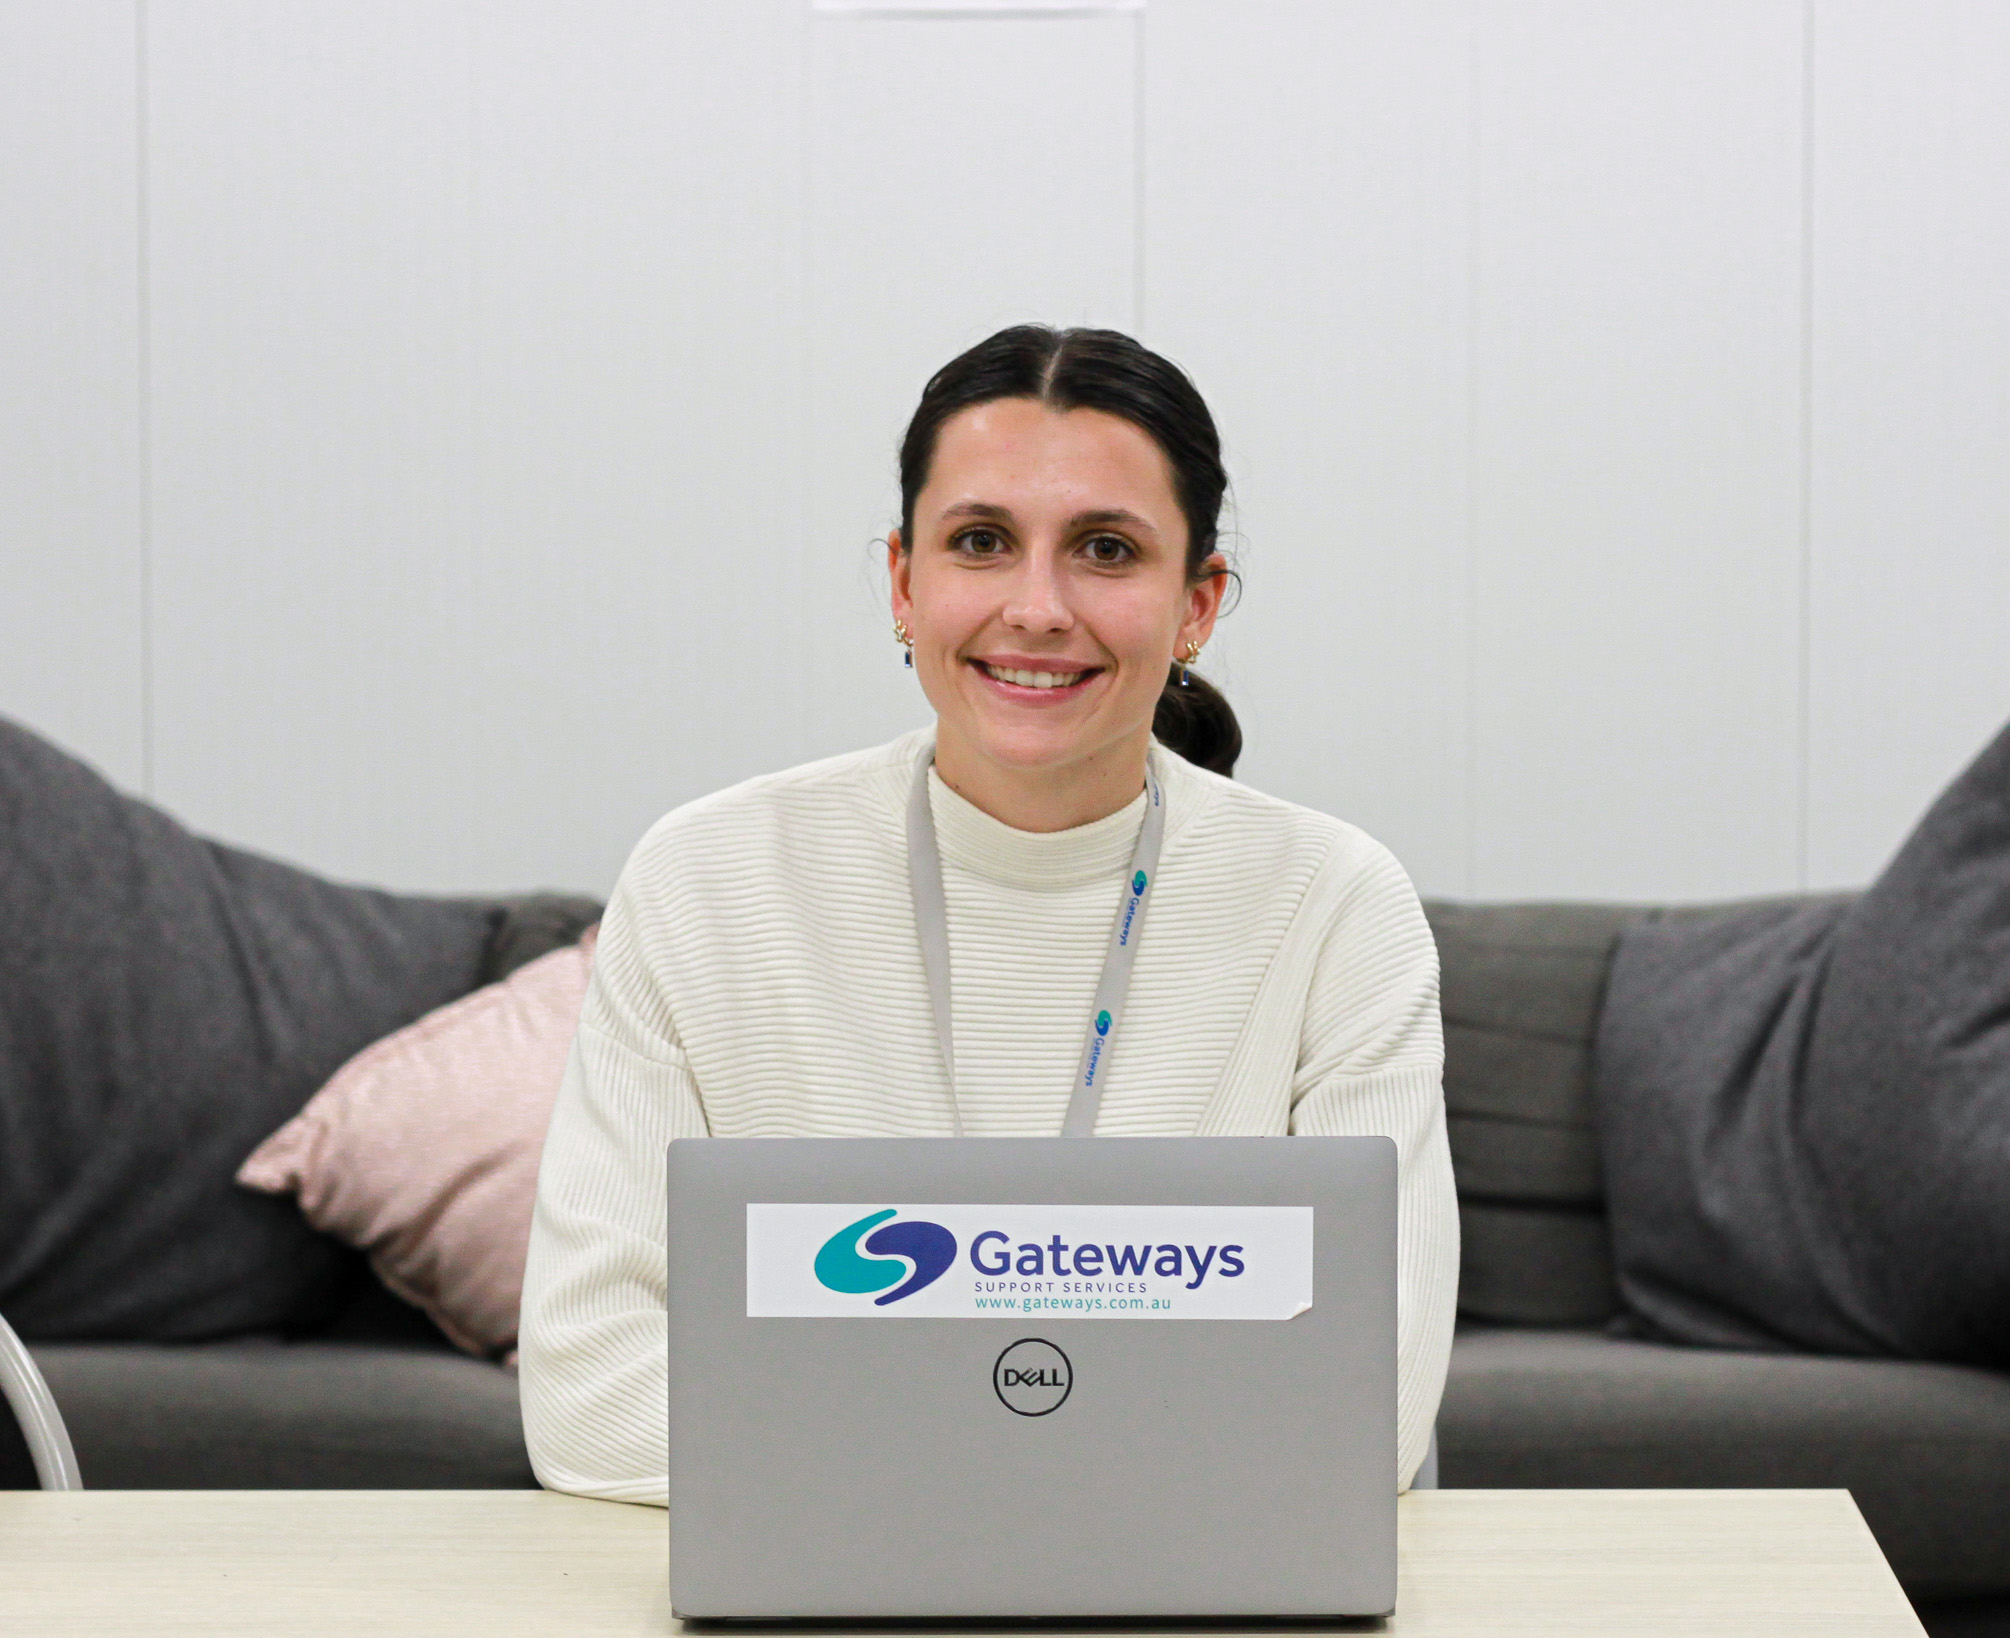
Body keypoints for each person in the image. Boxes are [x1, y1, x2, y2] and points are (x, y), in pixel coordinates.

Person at [518, 325, 1458, 1500]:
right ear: (906, 581)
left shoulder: (1332, 905)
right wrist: (1048, 1460)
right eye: (979, 542)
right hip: (819, 1601)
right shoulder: (707, 878)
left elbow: (1363, 1398)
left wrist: (871, 1444)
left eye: (1106, 550)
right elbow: (589, 1392)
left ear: (1197, 606)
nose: (1037, 607)